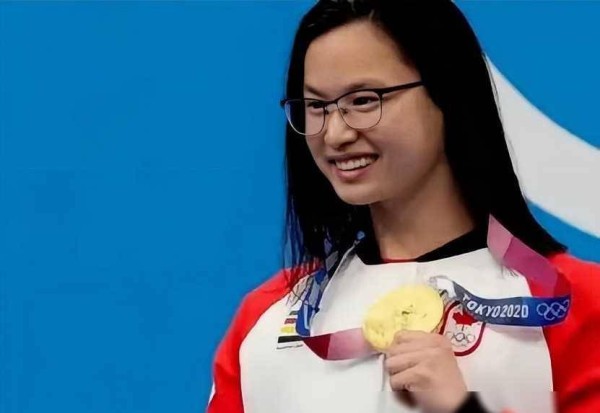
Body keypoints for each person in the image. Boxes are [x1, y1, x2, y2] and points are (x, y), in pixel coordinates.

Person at [206, 1, 600, 412]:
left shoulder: (579, 304)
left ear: (447, 93)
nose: (335, 134)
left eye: (364, 100)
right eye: (317, 106)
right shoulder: (266, 317)